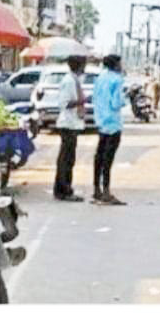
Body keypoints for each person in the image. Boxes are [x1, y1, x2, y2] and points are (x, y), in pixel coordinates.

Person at [92, 54, 126, 206]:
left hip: (101, 120)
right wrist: (124, 101)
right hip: (113, 122)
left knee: (99, 156)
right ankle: (106, 190)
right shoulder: (117, 80)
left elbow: (95, 98)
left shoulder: (100, 78)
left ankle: (96, 189)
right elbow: (116, 103)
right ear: (115, 65)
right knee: (108, 159)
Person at [53, 55, 87, 202]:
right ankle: (64, 190)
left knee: (68, 159)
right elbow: (64, 103)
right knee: (66, 160)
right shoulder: (69, 81)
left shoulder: (74, 80)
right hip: (67, 123)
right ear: (78, 65)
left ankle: (63, 188)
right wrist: (81, 101)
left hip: (72, 123)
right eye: (83, 64)